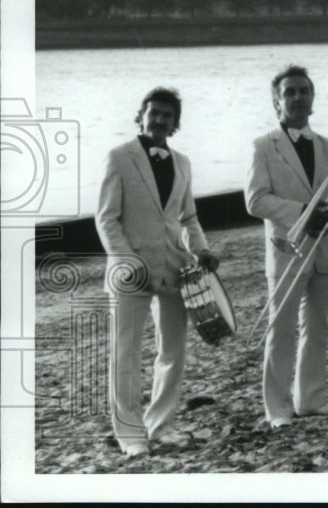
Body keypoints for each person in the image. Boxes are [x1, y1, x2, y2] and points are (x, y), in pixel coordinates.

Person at [96, 87, 219, 458]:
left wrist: (202, 249)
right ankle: (131, 434)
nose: (160, 120)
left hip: (175, 268)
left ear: (175, 122)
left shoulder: (183, 162)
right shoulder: (119, 157)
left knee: (173, 352)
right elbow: (106, 219)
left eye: (168, 115)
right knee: (126, 354)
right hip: (129, 272)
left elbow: (188, 217)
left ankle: (160, 425)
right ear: (141, 115)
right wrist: (131, 264)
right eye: (154, 113)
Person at [245, 65, 328, 428]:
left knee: (317, 327)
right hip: (287, 249)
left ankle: (311, 399)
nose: (297, 97)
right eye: (289, 92)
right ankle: (277, 408)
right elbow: (255, 201)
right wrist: (305, 212)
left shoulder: (326, 145)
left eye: (303, 91)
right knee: (281, 330)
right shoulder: (263, 146)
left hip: (323, 248)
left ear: (313, 98)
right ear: (277, 101)